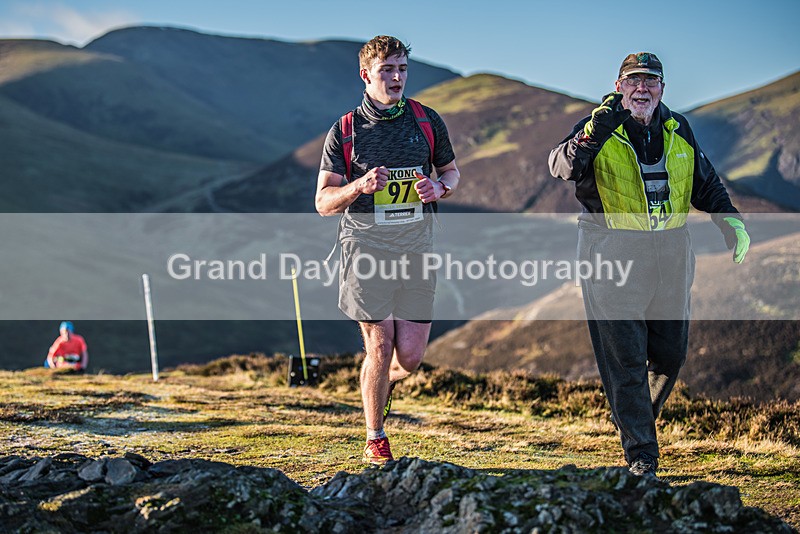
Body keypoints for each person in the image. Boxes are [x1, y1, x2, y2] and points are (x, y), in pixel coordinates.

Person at [548, 52, 750, 477]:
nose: (642, 88)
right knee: (624, 360)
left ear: (662, 88)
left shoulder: (678, 129)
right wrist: (592, 133)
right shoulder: (598, 126)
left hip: (672, 254)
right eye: (633, 80)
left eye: (650, 81)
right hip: (611, 253)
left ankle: (631, 416)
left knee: (670, 355)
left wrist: (731, 222)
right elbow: (561, 166)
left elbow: (705, 183)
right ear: (619, 86)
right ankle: (642, 456)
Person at [315, 35, 460, 464]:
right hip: (365, 249)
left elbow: (451, 173)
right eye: (387, 70)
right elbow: (323, 202)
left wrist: (439, 188)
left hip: (417, 248)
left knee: (410, 358)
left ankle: (381, 383)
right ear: (366, 75)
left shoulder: (426, 120)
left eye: (402, 69)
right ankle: (375, 435)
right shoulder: (344, 131)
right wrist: (358, 186)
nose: (396, 78)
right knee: (379, 345)